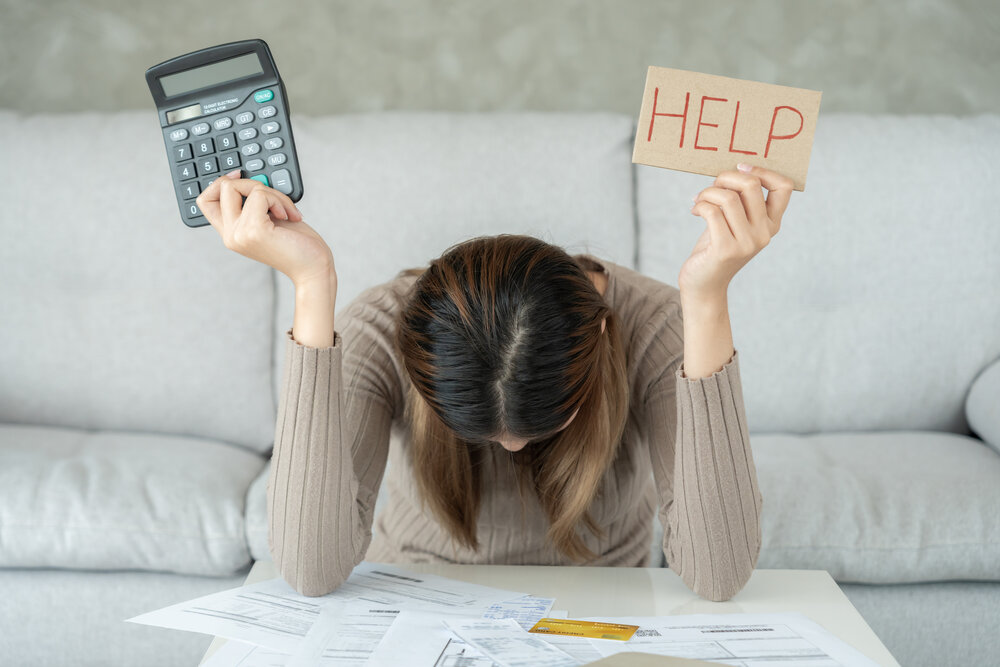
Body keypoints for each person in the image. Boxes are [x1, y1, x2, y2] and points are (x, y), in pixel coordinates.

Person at [195, 162, 794, 602]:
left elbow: (718, 575)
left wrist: (708, 300)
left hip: (598, 602)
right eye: (479, 432)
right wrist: (312, 287)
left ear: (599, 345)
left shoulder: (656, 327)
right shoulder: (376, 328)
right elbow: (309, 569)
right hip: (415, 597)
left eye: (545, 423)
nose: (510, 448)